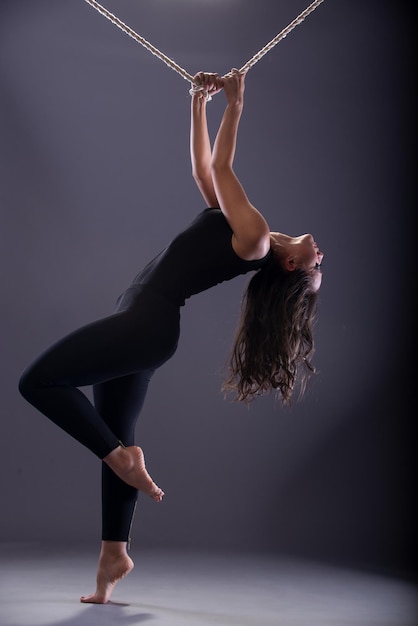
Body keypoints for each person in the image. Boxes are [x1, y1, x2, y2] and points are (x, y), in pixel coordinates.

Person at [18, 69, 324, 604]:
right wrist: (196, 105)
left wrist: (237, 103)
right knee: (115, 426)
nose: (323, 256)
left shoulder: (253, 240)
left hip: (147, 325)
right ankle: (115, 554)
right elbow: (206, 174)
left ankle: (119, 458)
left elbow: (225, 166)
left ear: (292, 264)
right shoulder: (241, 226)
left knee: (40, 383)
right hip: (142, 322)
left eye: (316, 266)